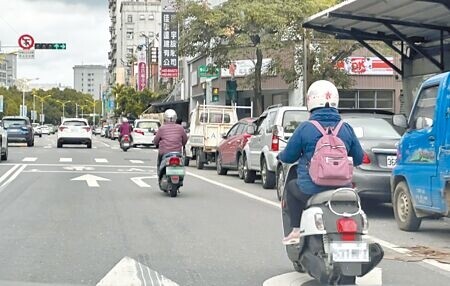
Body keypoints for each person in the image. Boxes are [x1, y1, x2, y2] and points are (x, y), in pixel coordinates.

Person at [278, 80, 364, 245]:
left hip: (310, 188)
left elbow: (289, 156)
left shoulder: (305, 128)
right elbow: (359, 158)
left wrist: (280, 156)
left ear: (311, 101)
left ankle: (296, 230)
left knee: (291, 187)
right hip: (342, 188)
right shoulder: (346, 128)